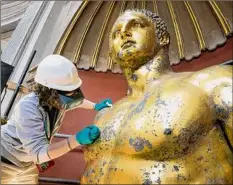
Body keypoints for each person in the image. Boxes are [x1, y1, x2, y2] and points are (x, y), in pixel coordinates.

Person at [81, 9, 232, 184]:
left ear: (163, 38)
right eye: (116, 33)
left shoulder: (212, 83)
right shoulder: (104, 115)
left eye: (136, 25)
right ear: (112, 55)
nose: (124, 34)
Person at [1, 54, 112, 184]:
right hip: (4, 161)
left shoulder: (56, 101)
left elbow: (77, 101)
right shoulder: (28, 107)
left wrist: (95, 106)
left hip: (25, 164)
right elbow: (39, 153)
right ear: (51, 91)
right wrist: (75, 140)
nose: (75, 95)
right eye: (70, 91)